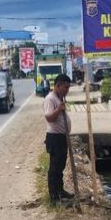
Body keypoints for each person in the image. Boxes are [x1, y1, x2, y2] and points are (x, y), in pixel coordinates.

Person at [43, 74, 73, 203]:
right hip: (54, 138)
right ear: (58, 85)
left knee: (60, 166)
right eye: (65, 87)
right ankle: (54, 197)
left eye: (68, 87)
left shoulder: (60, 98)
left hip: (61, 137)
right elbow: (49, 118)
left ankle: (60, 191)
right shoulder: (50, 99)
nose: (67, 90)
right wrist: (59, 109)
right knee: (54, 168)